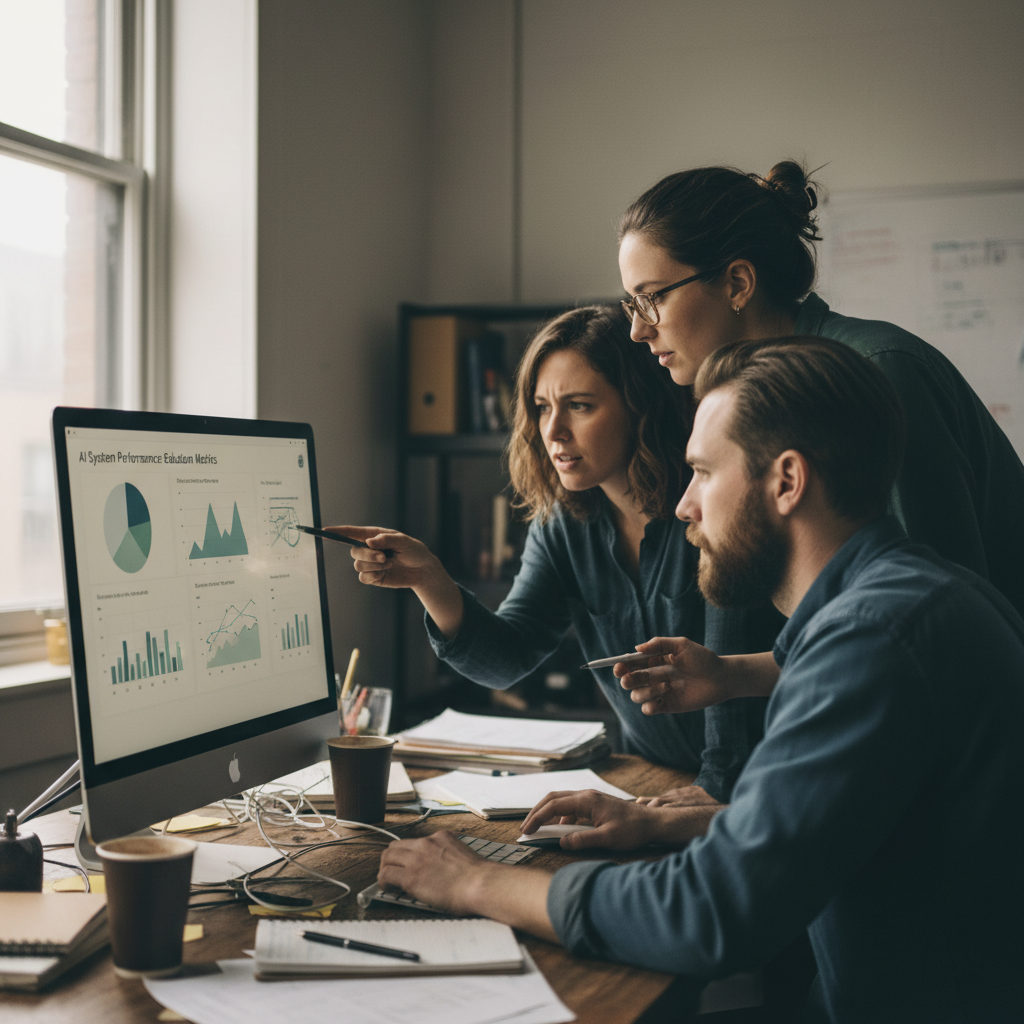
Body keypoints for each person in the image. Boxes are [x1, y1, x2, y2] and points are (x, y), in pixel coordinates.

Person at [377, 337, 1024, 1022]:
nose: (684, 507)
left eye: (704, 474)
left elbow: (710, 912)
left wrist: (477, 882)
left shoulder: (870, 640)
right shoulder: (915, 597)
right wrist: (665, 826)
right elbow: (846, 833)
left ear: (786, 481)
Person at [614, 160, 1024, 756]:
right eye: (630, 305)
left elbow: (929, 636)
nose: (637, 331)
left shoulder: (875, 375)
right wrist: (727, 699)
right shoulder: (745, 394)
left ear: (736, 283)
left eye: (650, 299)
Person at [333, 305, 773, 807]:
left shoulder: (709, 504)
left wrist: (712, 798)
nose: (554, 431)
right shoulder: (564, 525)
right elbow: (507, 660)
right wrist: (431, 580)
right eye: (542, 407)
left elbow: (729, 703)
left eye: (580, 405)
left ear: (639, 406)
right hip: (651, 776)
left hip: (751, 790)